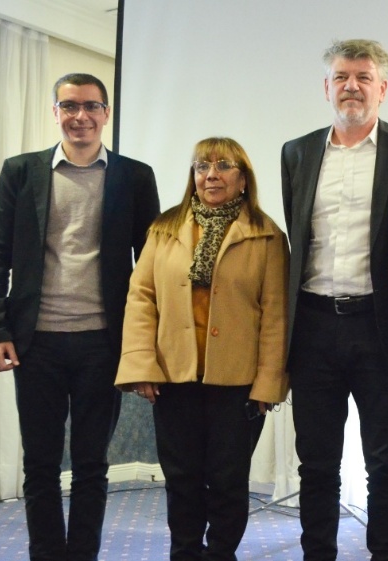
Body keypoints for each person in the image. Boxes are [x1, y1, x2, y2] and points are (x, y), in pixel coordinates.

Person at [0, 73, 160, 561]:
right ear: (55, 112)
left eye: (91, 106)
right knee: (39, 464)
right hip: (34, 343)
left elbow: (152, 267)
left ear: (106, 113)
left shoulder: (134, 176)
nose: (81, 116)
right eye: (70, 106)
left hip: (103, 343)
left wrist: (143, 345)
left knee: (91, 465)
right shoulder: (21, 172)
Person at [280, 39, 388, 561]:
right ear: (326, 87)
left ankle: (386, 554)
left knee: (386, 460)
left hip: (381, 326)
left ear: (382, 89)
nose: (351, 86)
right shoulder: (297, 152)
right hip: (313, 327)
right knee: (316, 463)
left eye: (363, 77)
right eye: (342, 77)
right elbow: (298, 236)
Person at [115, 137, 288, 561]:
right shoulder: (163, 229)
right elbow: (141, 299)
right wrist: (141, 365)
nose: (211, 175)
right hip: (174, 377)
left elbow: (276, 315)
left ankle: (221, 554)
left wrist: (268, 383)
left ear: (243, 179)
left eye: (223, 166)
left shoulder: (267, 236)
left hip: (238, 383)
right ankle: (185, 553)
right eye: (201, 167)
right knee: (182, 480)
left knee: (228, 483)